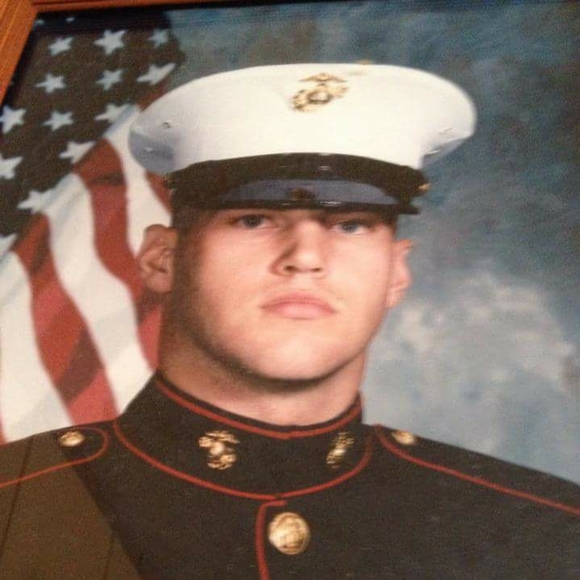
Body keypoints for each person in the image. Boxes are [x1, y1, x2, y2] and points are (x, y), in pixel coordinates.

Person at [0, 64, 577, 579]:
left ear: (396, 272)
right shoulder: (14, 507)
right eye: (253, 219)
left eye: (351, 224)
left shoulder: (546, 532)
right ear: (162, 259)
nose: (305, 256)